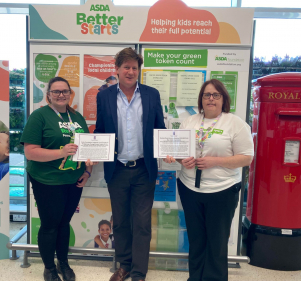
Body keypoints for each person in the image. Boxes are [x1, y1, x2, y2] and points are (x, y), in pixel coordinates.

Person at [164, 79, 254, 281]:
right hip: (190, 189)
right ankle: (195, 278)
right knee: (196, 240)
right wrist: (180, 159)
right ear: (201, 99)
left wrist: (216, 161)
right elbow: (178, 151)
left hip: (222, 191)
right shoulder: (191, 121)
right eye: (207, 95)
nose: (211, 99)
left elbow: (247, 157)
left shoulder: (235, 123)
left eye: (216, 95)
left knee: (217, 242)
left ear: (223, 99)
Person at [94, 47, 166, 281]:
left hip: (144, 169)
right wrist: (90, 150)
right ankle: (124, 265)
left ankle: (139, 271)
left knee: (143, 223)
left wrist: (168, 149)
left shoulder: (151, 94)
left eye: (135, 68)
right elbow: (101, 130)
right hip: (117, 170)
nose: (131, 71)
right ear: (117, 69)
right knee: (121, 221)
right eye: (126, 67)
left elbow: (159, 129)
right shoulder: (104, 96)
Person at [21, 76, 93, 281]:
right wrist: (60, 153)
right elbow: (30, 152)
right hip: (47, 180)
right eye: (56, 91)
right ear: (48, 96)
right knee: (50, 224)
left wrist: (87, 172)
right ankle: (49, 268)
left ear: (70, 94)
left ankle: (63, 263)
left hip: (74, 180)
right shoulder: (39, 116)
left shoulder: (77, 117)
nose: (61, 95)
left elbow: (86, 148)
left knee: (64, 223)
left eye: (65, 91)